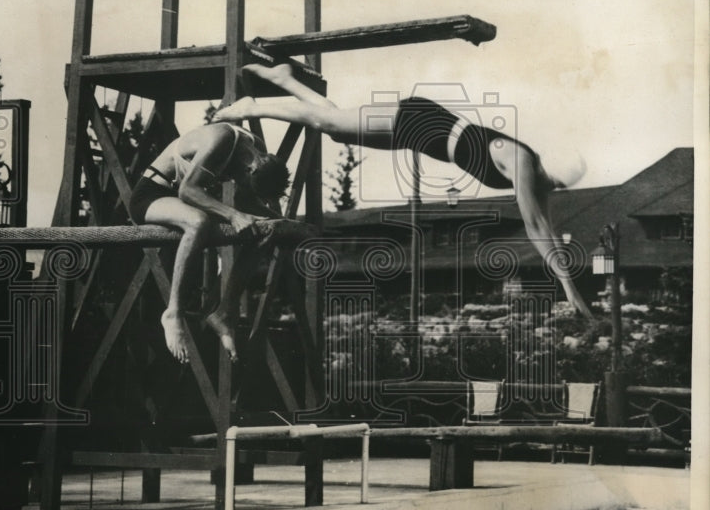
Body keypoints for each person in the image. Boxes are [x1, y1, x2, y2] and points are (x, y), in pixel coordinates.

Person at [214, 63, 593, 319]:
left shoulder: (534, 173)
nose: (552, 190)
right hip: (419, 121)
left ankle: (284, 80)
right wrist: (569, 288)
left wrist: (568, 283)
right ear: (550, 170)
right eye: (557, 183)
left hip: (425, 129)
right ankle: (255, 106)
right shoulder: (524, 163)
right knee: (329, 120)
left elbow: (547, 229)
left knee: (336, 126)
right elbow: (535, 225)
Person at [129, 121, 290, 363]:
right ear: (251, 169)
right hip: (151, 196)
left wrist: (279, 223)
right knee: (198, 221)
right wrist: (234, 215)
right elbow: (187, 190)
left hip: (183, 202)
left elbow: (244, 200)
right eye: (248, 182)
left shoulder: (256, 148)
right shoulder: (222, 138)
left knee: (264, 230)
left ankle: (223, 313)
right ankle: (173, 313)